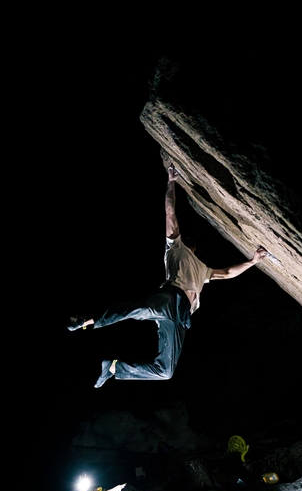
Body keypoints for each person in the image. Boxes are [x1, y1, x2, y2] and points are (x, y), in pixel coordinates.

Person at [68, 163, 268, 388]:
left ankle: (113, 368)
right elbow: (170, 213)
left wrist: (253, 261)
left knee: (165, 372)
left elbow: (228, 273)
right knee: (134, 310)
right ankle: (87, 321)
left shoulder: (202, 269)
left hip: (178, 320)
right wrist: (170, 182)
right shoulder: (176, 247)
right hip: (170, 300)